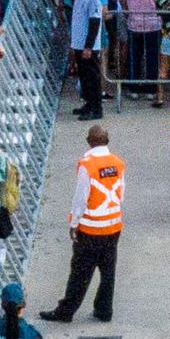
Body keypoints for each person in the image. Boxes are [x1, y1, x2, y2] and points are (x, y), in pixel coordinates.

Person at [45, 127, 124, 325]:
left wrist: (74, 222)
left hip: (91, 228)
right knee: (108, 271)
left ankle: (66, 311)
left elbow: (81, 197)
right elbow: (121, 193)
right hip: (113, 225)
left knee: (80, 272)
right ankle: (104, 310)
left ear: (89, 141)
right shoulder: (118, 163)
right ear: (107, 140)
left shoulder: (87, 165)